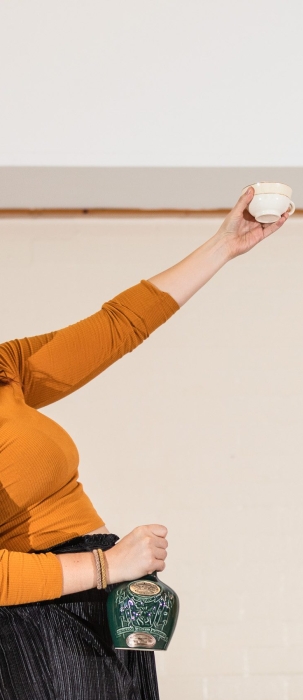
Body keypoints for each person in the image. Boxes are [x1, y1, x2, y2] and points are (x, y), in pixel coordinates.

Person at [0, 187, 288, 700]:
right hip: (40, 618)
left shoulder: (5, 369)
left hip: (98, 599)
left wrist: (225, 243)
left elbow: (119, 325)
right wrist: (106, 565)